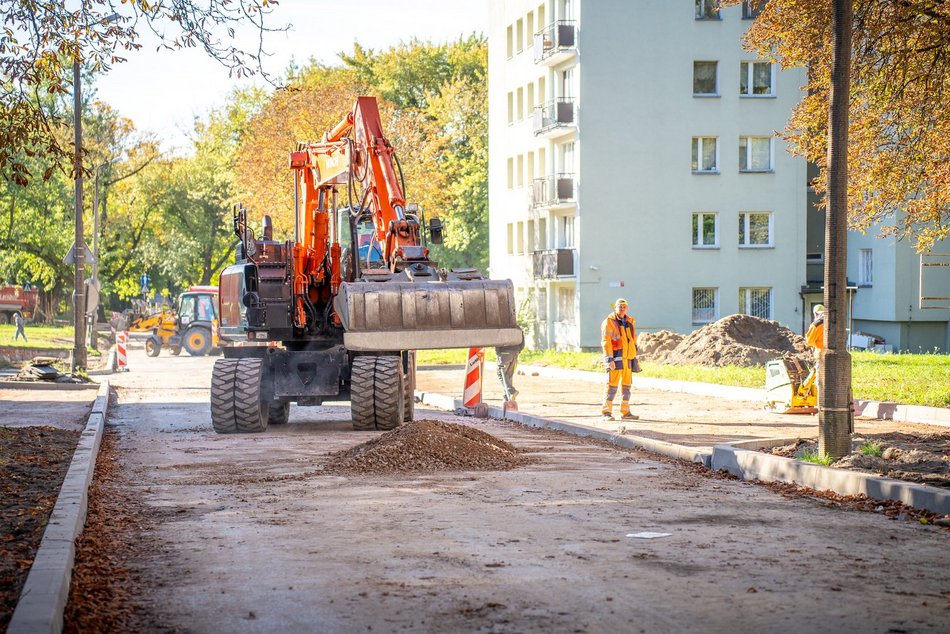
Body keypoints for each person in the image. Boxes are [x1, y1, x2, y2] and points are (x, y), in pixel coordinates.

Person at [601, 298, 639, 420]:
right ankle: (606, 412)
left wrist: (633, 356)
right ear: (615, 308)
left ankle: (625, 411)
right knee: (612, 386)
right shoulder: (609, 322)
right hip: (616, 359)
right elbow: (606, 342)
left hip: (628, 359)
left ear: (626, 308)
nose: (622, 308)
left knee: (626, 386)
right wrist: (609, 360)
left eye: (624, 306)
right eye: (619, 306)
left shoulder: (629, 321)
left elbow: (633, 340)